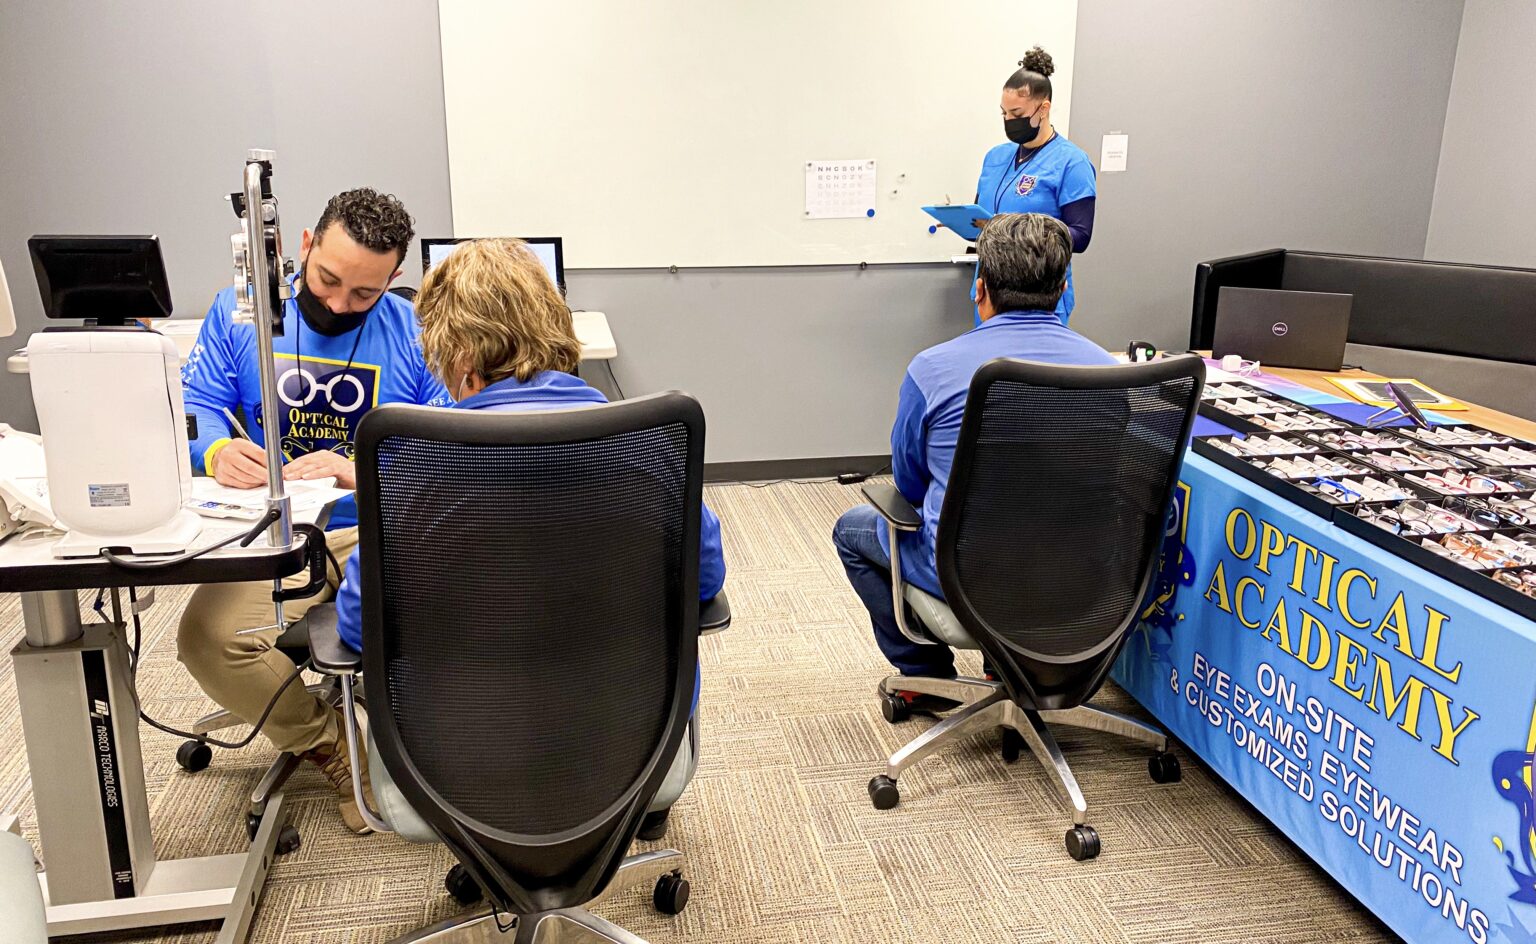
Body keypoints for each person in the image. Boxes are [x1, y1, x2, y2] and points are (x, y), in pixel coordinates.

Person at [330, 237, 727, 841]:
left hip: (454, 760)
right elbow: (705, 582)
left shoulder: (413, 466)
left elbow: (359, 627)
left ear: (460, 356)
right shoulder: (649, 443)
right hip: (633, 745)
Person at [178, 188, 450, 834]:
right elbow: (194, 404)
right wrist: (216, 449)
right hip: (276, 531)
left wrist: (362, 470)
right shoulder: (240, 315)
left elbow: (450, 447)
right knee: (207, 640)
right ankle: (329, 742)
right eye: (328, 280)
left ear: (395, 277)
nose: (337, 304)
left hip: (376, 529)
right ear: (304, 245)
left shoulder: (415, 334)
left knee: (462, 623)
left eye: (364, 293)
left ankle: (427, 751)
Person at [833, 213, 1115, 708]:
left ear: (979, 289)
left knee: (851, 530)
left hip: (967, 579)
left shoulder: (933, 370)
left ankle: (926, 676)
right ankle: (1006, 663)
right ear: (1063, 289)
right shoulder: (1108, 370)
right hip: (1082, 580)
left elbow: (908, 486)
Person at [973, 47, 1097, 325]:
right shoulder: (995, 157)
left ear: (1044, 108)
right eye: (1004, 113)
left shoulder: (1072, 162)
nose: (1009, 120)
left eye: (1016, 113)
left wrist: (1020, 233)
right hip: (990, 293)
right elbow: (981, 216)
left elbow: (1080, 236)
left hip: (1040, 297)